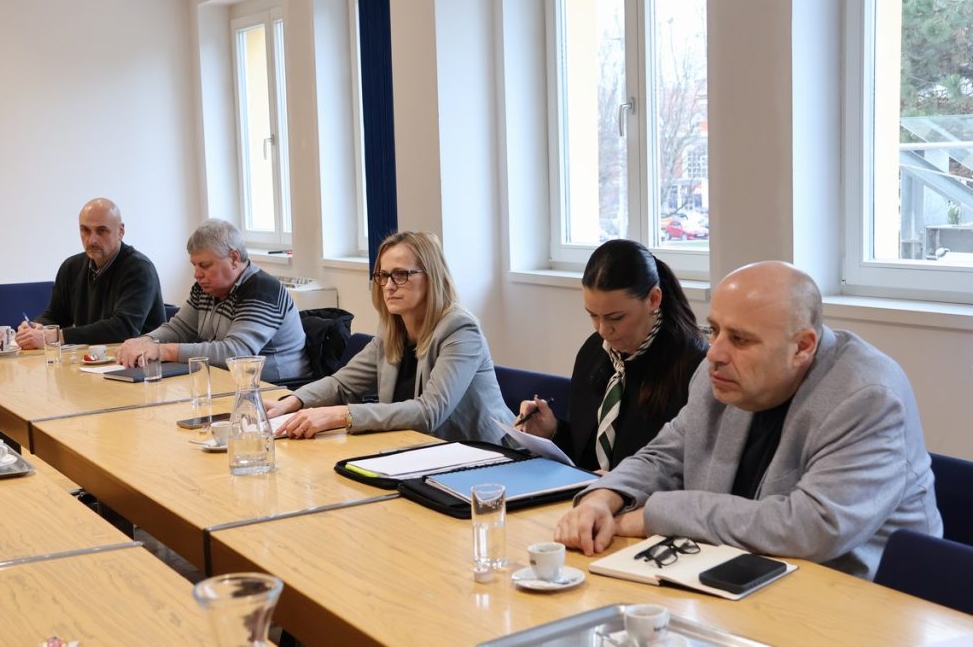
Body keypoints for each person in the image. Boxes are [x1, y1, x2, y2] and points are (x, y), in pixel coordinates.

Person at [554, 261, 941, 580]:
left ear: (802, 346)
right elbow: (666, 455)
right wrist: (603, 499)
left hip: (862, 600)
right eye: (715, 330)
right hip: (742, 573)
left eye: (740, 339)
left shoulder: (867, 397)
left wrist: (651, 518)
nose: (715, 353)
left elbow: (812, 527)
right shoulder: (719, 375)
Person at [264, 230, 509, 443]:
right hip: (418, 449)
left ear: (431, 277)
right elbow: (343, 384)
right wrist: (290, 402)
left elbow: (429, 412)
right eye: (383, 275)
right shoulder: (393, 330)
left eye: (401, 274)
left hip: (486, 455)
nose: (389, 286)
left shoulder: (460, 329)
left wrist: (341, 415)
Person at [517, 240, 707, 471]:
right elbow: (584, 456)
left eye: (616, 318)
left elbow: (690, 470)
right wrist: (552, 432)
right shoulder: (594, 351)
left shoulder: (692, 367)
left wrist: (620, 484)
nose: (603, 330)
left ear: (653, 299)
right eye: (593, 315)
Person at [116, 219, 308, 383]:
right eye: (194, 265)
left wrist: (163, 351)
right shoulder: (207, 287)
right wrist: (144, 342)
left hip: (275, 388)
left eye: (205, 265)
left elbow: (236, 353)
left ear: (234, 258)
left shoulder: (262, 290)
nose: (197, 274)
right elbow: (179, 329)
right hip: (225, 381)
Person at [15, 198, 165, 348]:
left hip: (142, 358)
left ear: (120, 231)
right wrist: (36, 327)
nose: (92, 240)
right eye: (85, 230)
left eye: (101, 231)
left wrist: (56, 336)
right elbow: (55, 316)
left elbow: (124, 328)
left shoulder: (139, 269)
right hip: (92, 358)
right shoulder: (71, 267)